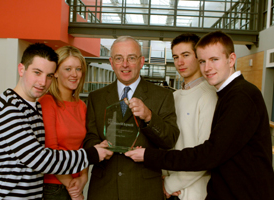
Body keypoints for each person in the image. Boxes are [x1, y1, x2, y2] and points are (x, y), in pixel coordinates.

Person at [125, 31, 274, 200]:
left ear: (231, 59)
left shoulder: (240, 96)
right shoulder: (228, 93)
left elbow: (209, 154)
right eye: (203, 61)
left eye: (214, 60)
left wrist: (150, 158)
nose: (207, 68)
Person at [0, 43, 112, 200]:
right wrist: (92, 154)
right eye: (37, 73)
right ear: (21, 69)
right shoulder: (8, 107)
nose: (43, 82)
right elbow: (38, 158)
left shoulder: (33, 107)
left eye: (49, 75)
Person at [83, 36, 180, 200]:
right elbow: (89, 137)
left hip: (144, 189)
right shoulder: (96, 97)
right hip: (104, 189)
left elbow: (169, 140)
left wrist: (149, 116)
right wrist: (99, 147)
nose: (125, 64)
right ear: (111, 62)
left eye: (131, 58)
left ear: (141, 61)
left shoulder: (163, 96)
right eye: (119, 58)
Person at [163, 34, 217, 200]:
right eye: (176, 57)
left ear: (198, 57)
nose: (180, 62)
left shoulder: (209, 96)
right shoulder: (174, 96)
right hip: (171, 188)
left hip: (194, 193)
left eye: (186, 55)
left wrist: (170, 184)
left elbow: (206, 154)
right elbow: (167, 141)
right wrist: (164, 176)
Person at [39, 46, 88, 200]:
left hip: (76, 183)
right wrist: (72, 187)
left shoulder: (81, 105)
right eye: (68, 69)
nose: (74, 74)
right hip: (53, 186)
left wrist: (83, 177)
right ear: (56, 73)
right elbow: (50, 150)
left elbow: (84, 147)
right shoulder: (47, 102)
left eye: (78, 69)